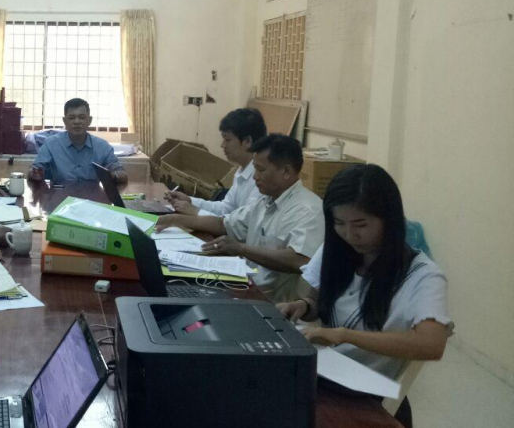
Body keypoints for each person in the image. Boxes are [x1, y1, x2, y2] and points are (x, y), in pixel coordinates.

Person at [276, 165, 451, 425]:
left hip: (367, 399)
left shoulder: (423, 276)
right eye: (339, 223)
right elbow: (320, 303)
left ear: (389, 219)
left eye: (361, 224)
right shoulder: (339, 250)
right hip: (324, 378)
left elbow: (431, 345)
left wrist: (345, 335)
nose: (349, 234)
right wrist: (304, 306)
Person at [156, 134, 323, 303]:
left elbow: (299, 260)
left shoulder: (307, 210)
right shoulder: (265, 199)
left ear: (286, 171)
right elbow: (224, 224)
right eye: (255, 169)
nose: (255, 176)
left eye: (261, 170)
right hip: (245, 285)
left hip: (271, 302)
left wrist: (241, 249)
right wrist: (176, 220)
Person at [165, 108, 266, 217]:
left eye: (227, 139)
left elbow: (240, 224)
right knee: (163, 219)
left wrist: (196, 212)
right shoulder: (243, 170)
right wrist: (190, 201)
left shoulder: (261, 179)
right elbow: (226, 208)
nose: (223, 145)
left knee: (167, 221)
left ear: (247, 141)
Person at [27, 98, 127, 184]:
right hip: (59, 196)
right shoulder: (51, 144)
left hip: (92, 197)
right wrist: (35, 174)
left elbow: (122, 174)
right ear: (65, 121)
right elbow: (35, 170)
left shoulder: (102, 146)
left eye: (82, 117)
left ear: (89, 120)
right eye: (71, 118)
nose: (77, 122)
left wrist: (113, 175)